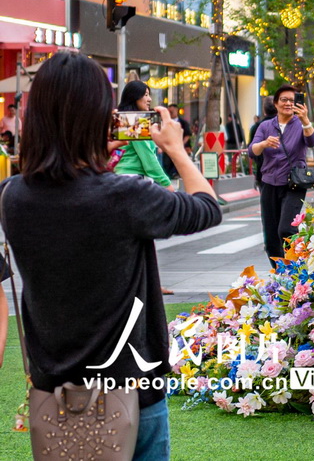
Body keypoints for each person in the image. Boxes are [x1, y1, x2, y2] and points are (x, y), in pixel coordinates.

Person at [1, 51, 221, 461]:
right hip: (132, 385)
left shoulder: (14, 196)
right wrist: (175, 149)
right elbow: (206, 208)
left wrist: (90, 152)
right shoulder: (123, 195)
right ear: (100, 115)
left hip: (54, 387)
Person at [248, 85, 314, 267]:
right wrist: (263, 144)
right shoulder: (265, 126)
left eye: (292, 100)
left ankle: (294, 267)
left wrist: (305, 119)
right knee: (271, 238)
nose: (288, 103)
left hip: (294, 184)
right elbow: (252, 151)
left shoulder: (301, 124)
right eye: (284, 100)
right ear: (276, 103)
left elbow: (312, 141)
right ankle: (281, 276)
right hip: (269, 183)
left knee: (286, 229)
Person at [116, 81, 172, 189]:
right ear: (134, 97)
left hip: (120, 176)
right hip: (133, 180)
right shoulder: (135, 122)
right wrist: (166, 184)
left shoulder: (122, 120)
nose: (150, 99)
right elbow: (148, 157)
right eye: (146, 95)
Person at [161, 103, 192, 178]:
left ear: (176, 110)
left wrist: (181, 144)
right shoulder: (164, 123)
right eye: (169, 112)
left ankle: (176, 174)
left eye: (172, 112)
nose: (171, 114)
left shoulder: (183, 122)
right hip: (168, 146)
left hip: (180, 146)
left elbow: (187, 135)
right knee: (167, 162)